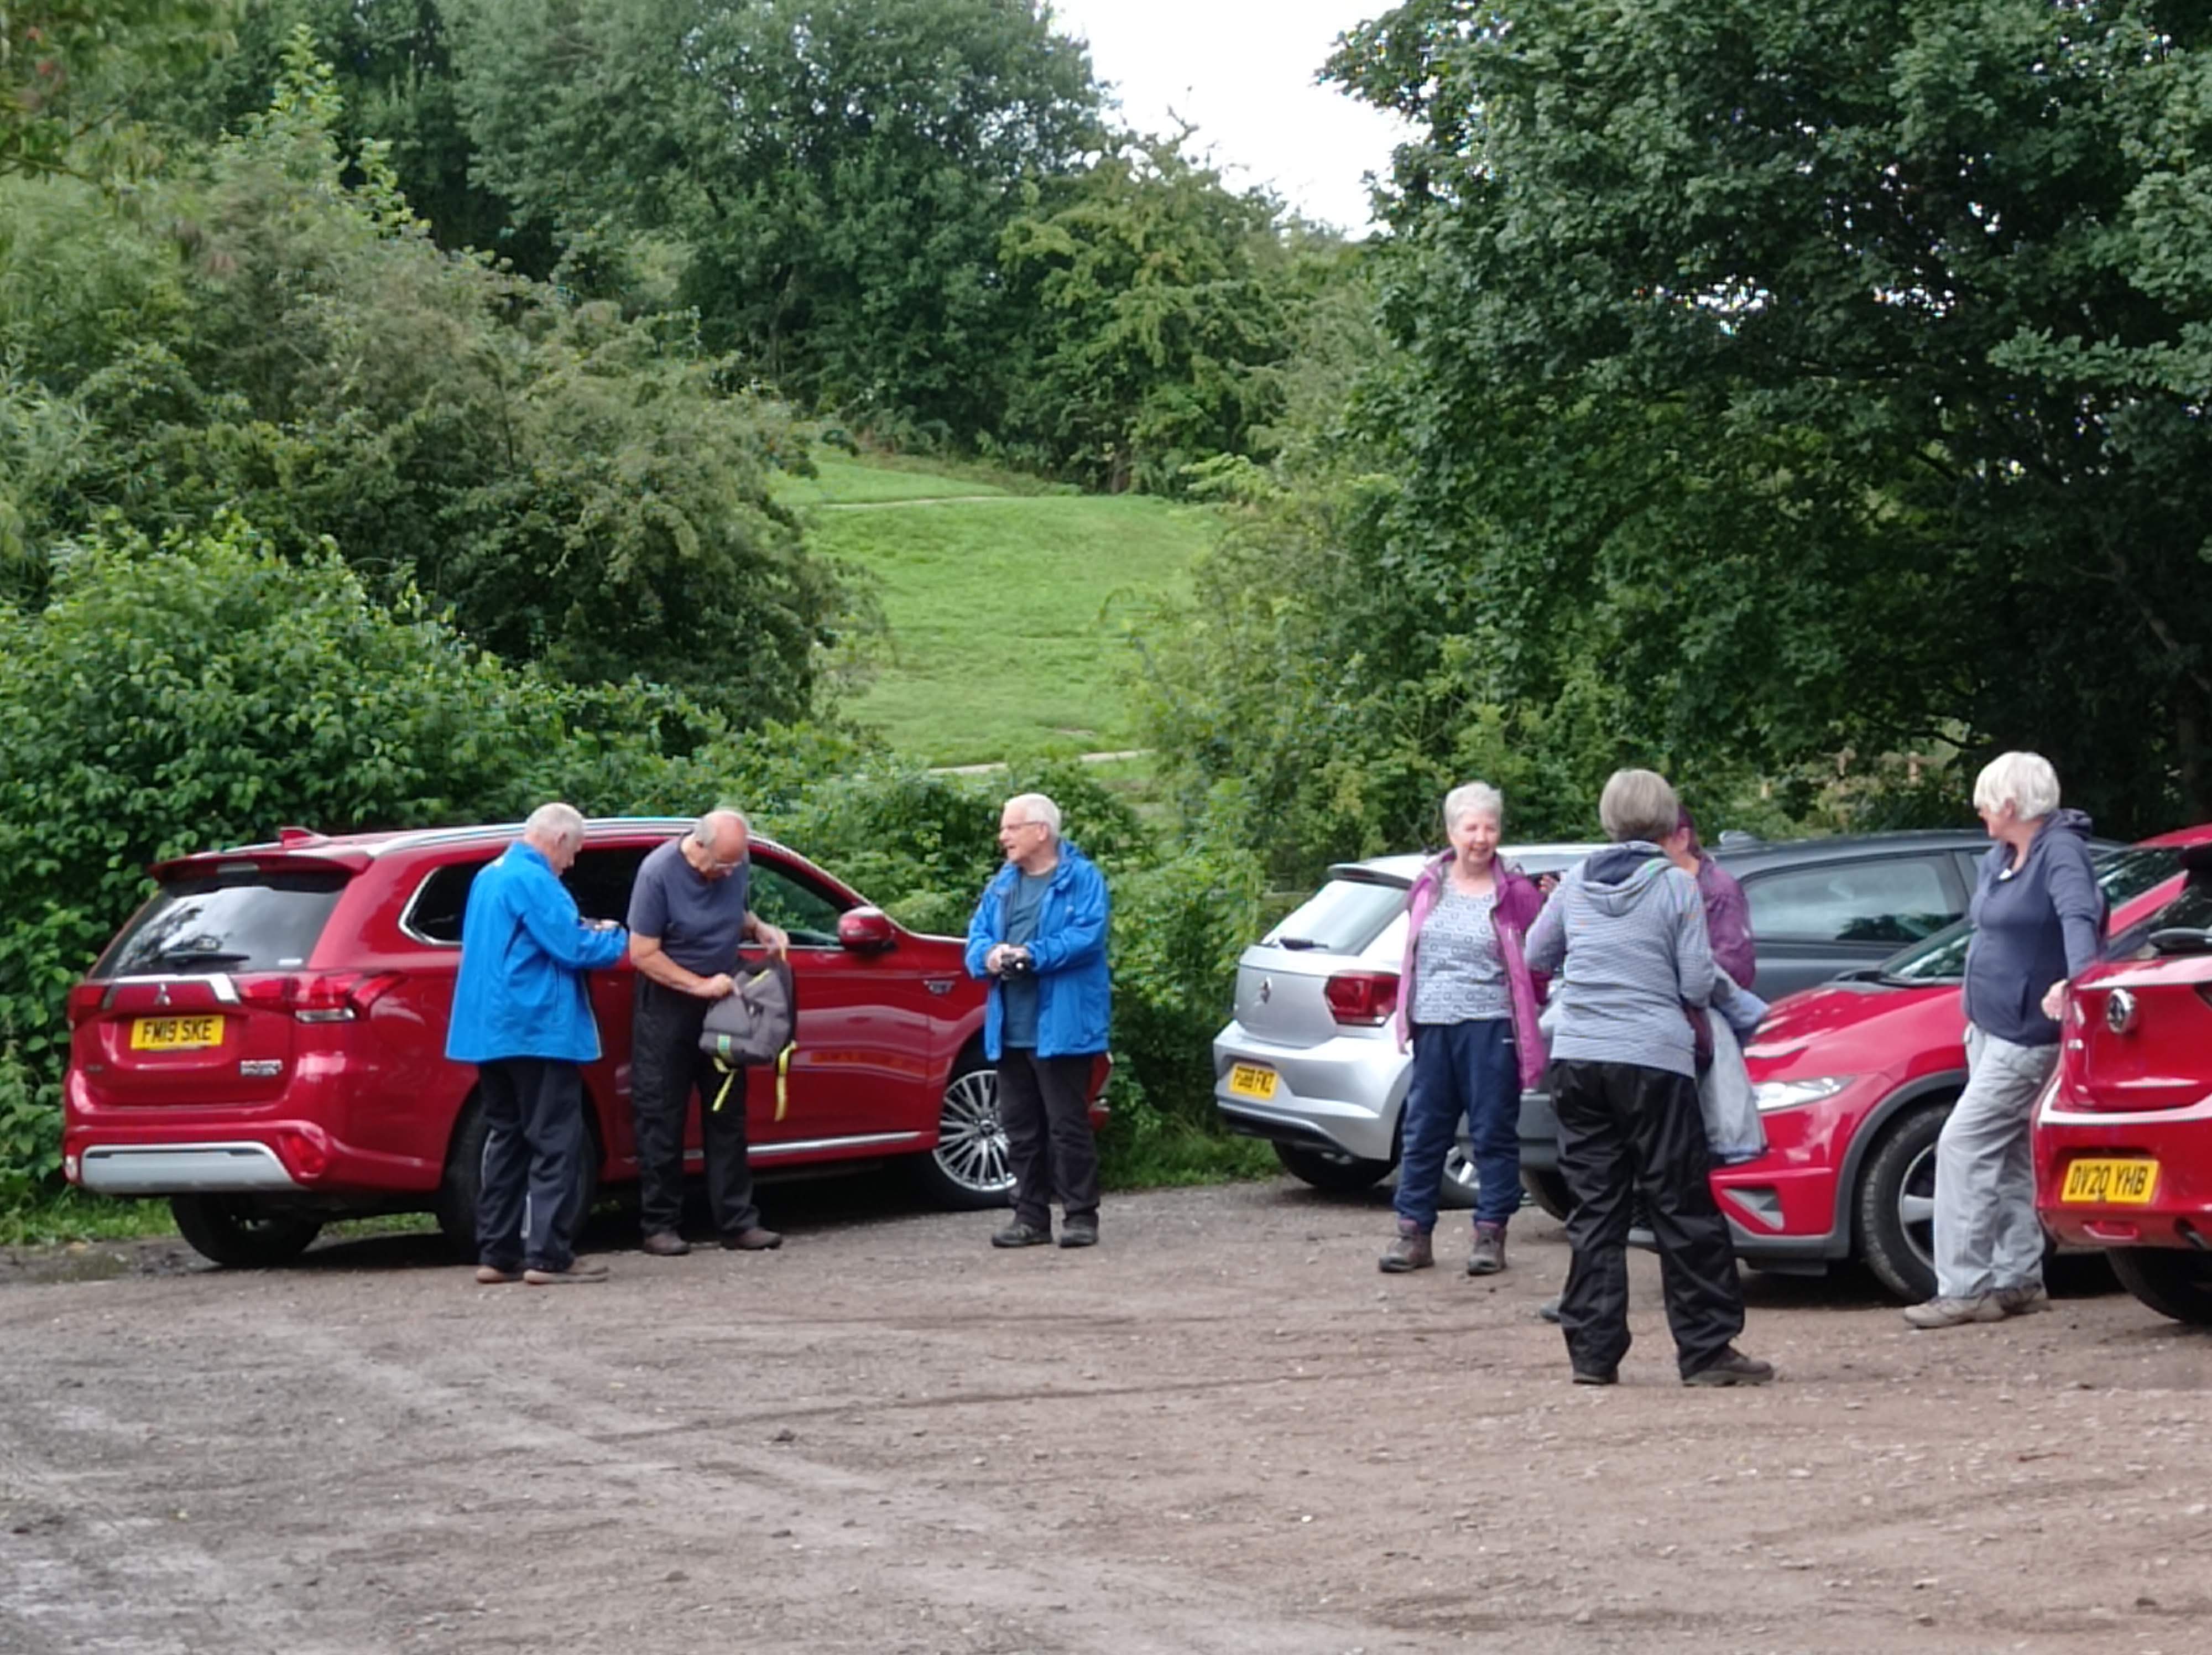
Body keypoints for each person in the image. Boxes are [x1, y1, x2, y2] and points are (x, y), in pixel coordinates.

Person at [1524, 768, 1775, 1387]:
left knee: (1595, 1208)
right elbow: (1694, 982)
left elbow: (1535, 953)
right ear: (1666, 820)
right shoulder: (1675, 887)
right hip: (1652, 1060)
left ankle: (1592, 1353)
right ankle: (1706, 1348)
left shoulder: (1577, 882)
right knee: (1678, 1201)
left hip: (1579, 1058)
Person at [1905, 752, 2104, 1329]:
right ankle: (2018, 1278)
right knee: (2012, 1150)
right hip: (1988, 1028)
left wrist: (2076, 983)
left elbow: (2078, 917)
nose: (1978, 810)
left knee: (1962, 1144)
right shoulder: (2002, 854)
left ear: (2012, 805)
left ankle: (1962, 1288)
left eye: (1985, 799)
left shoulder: (2060, 851)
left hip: (2025, 1034)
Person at [446, 803, 629, 1287]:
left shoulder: (488, 876)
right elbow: (573, 947)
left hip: (489, 1030)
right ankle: (548, 1255)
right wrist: (616, 937)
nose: (572, 864)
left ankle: (497, 1253)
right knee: (554, 1142)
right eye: (575, 853)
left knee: (506, 1139)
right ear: (559, 840)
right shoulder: (536, 880)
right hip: (537, 1027)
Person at [1379, 782, 1550, 1277]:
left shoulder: (1515, 892)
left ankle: (1490, 1235)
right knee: (1424, 1130)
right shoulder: (1429, 884)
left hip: (1491, 1025)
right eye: (1471, 827)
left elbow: (1537, 962)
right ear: (1452, 831)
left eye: (1489, 827)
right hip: (1433, 1024)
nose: (1481, 838)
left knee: (1493, 1131)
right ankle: (1413, 1234)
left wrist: (1527, 1009)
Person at [626, 809, 790, 1257]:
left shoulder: (734, 863)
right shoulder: (658, 873)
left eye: (736, 865)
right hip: (669, 1003)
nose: (730, 873)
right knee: (662, 1114)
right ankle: (660, 1224)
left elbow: (733, 911)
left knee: (727, 1112)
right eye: (723, 865)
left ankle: (738, 1222)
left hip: (724, 1002)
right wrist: (697, 985)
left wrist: (758, 927)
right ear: (699, 847)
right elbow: (642, 952)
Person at [963, 792, 1110, 1250]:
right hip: (1009, 1027)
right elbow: (975, 940)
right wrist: (990, 955)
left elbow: (1087, 936)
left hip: (1063, 1027)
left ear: (1040, 831)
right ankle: (1029, 1217)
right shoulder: (1002, 885)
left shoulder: (1083, 880)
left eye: (1011, 828)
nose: (1002, 836)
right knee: (1020, 1126)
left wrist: (1032, 956)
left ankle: (1081, 1217)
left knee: (1067, 1125)